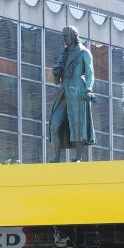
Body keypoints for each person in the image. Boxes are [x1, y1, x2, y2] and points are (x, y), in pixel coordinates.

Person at [47, 25, 96, 160]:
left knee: (77, 124)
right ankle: (56, 156)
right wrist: (56, 72)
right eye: (63, 36)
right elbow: (56, 80)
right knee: (55, 124)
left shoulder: (84, 52)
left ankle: (78, 157)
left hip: (77, 91)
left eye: (66, 36)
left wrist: (88, 89)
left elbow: (91, 75)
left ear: (74, 36)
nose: (63, 39)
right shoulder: (63, 54)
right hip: (64, 92)